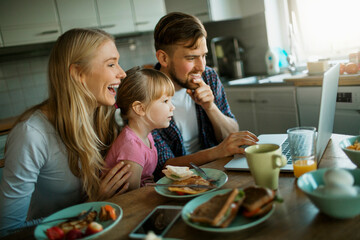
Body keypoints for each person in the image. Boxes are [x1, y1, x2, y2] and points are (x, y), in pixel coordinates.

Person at [0, 28, 132, 235]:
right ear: (78, 73)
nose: (122, 73)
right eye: (111, 64)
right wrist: (92, 205)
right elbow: (9, 231)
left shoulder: (103, 116)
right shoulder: (31, 134)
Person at [152, 12, 259, 178]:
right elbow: (163, 167)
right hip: (176, 184)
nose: (201, 66)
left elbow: (231, 134)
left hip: (215, 172)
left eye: (204, 56)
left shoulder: (208, 77)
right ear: (164, 58)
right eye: (191, 58)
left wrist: (210, 107)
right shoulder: (146, 93)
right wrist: (217, 151)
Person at [105, 67, 175, 190]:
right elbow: (131, 195)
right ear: (140, 108)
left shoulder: (146, 135)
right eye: (165, 101)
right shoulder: (131, 146)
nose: (172, 107)